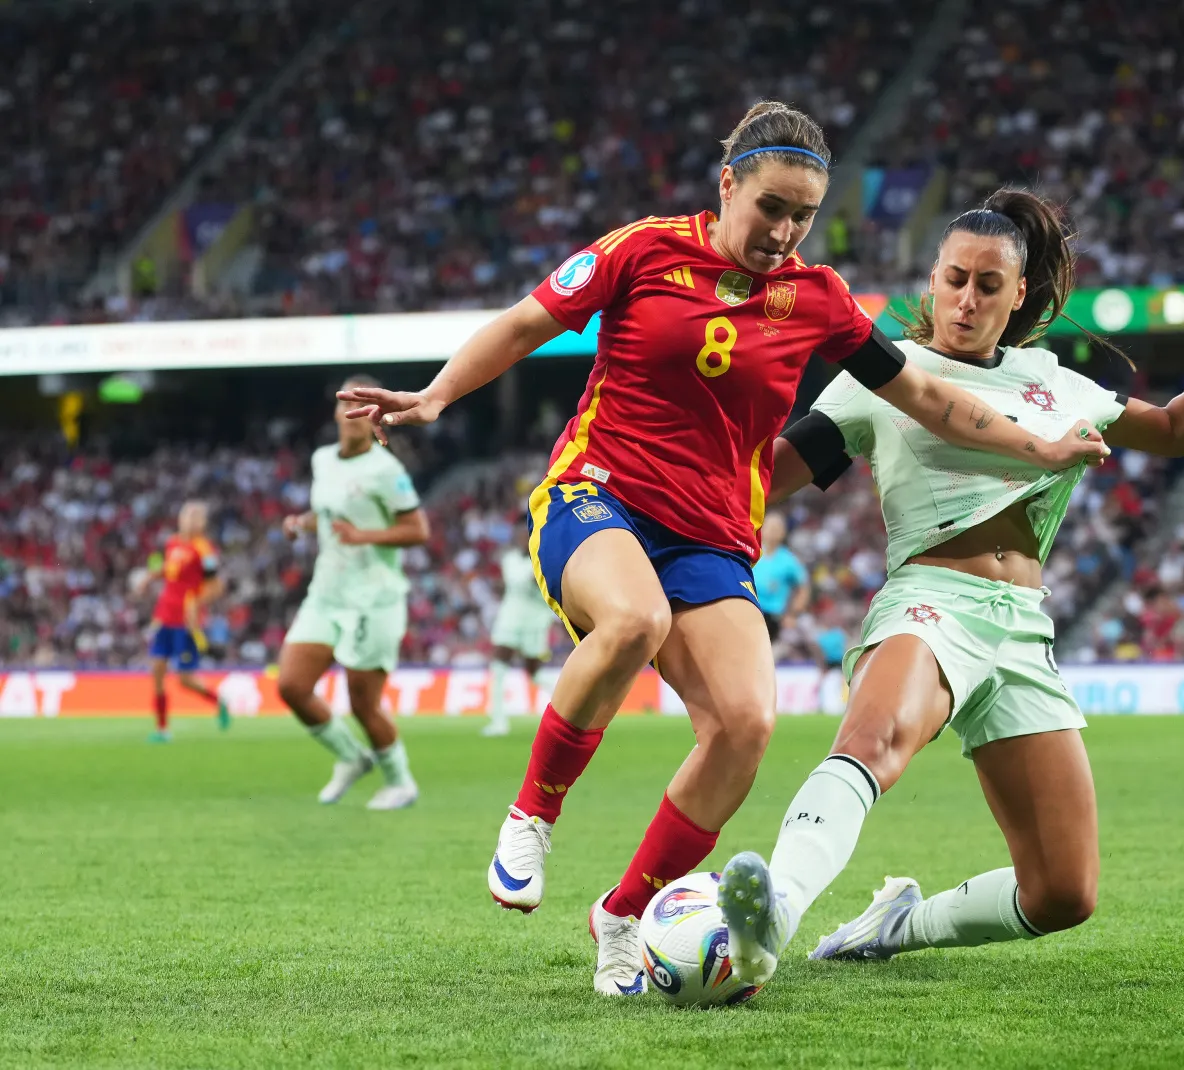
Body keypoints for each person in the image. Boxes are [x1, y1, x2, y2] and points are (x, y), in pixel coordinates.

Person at [337, 103, 1104, 996]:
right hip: (599, 497)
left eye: (802, 217)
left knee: (745, 727)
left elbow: (932, 401)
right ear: (728, 183)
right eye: (770, 206)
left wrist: (1039, 446)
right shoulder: (641, 251)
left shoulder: (819, 300)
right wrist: (436, 397)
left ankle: (621, 915)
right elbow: (523, 324)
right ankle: (532, 815)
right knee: (631, 619)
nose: (783, 232)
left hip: (712, 536)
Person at [713, 188, 1184, 986]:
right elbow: (767, 477)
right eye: (955, 278)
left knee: (1063, 891)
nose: (967, 299)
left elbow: (1170, 431)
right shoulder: (886, 373)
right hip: (931, 601)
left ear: (1019, 295)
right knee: (874, 743)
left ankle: (894, 924)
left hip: (1023, 627)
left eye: (989, 286)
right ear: (932, 279)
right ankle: (774, 909)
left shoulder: (1052, 383)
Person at [276, 375, 431, 811]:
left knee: (364, 703)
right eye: (346, 406)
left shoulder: (386, 470)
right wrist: (301, 523)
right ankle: (351, 757)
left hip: (373, 599)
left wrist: (363, 535)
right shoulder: (323, 460)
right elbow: (327, 513)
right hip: (326, 592)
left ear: (375, 417)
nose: (353, 416)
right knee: (291, 685)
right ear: (335, 414)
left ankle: (400, 782)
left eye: (364, 408)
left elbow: (418, 530)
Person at [138, 500, 229, 742]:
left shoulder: (205, 550)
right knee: (157, 670)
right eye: (185, 515)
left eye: (195, 516)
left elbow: (217, 585)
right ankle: (162, 729)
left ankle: (219, 702)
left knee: (185, 679)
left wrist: (196, 603)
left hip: (186, 621)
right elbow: (170, 568)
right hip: (164, 615)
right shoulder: (172, 543)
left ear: (203, 522)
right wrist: (149, 578)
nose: (189, 520)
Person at [483, 539, 560, 737]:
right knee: (498, 668)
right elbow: (507, 585)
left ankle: (569, 705)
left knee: (534, 673)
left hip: (536, 622)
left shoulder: (544, 557)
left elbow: (545, 584)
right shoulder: (509, 559)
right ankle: (498, 721)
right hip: (509, 618)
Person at [751, 512, 809, 641]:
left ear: (783, 533)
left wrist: (793, 614)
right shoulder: (752, 553)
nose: (773, 531)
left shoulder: (789, 561)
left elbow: (803, 588)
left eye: (777, 528)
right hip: (749, 611)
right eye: (770, 527)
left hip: (772, 617)